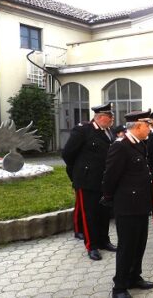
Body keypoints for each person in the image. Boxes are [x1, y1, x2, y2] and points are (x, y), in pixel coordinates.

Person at [102, 110, 153, 297]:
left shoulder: (138, 144)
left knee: (139, 244)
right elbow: (110, 176)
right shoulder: (121, 146)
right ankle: (119, 287)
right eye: (147, 125)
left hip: (141, 204)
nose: (149, 128)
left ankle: (134, 277)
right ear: (138, 126)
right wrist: (108, 197)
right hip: (127, 205)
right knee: (126, 247)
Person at [61, 102, 116, 261]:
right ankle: (91, 245)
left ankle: (104, 241)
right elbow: (67, 154)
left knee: (104, 212)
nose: (112, 120)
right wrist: (79, 170)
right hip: (87, 180)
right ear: (100, 117)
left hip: (103, 180)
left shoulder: (108, 131)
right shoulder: (83, 130)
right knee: (90, 214)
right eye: (109, 117)